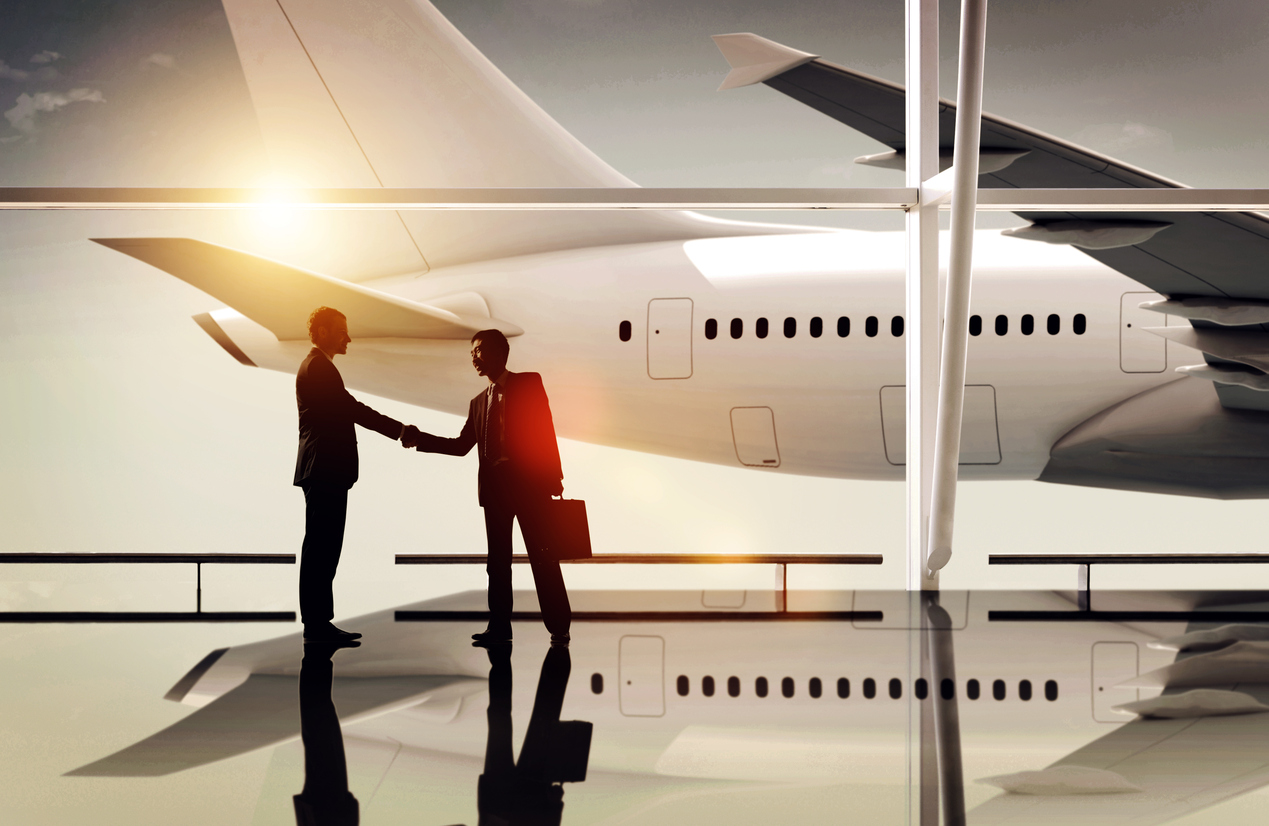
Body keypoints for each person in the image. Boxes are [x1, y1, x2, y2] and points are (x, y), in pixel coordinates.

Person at [404, 330, 571, 646]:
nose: (474, 358)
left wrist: (554, 477)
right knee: (497, 562)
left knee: (543, 558)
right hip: (495, 493)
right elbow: (460, 446)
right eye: (471, 353)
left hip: (530, 489)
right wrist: (419, 439)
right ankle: (499, 629)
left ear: (498, 353)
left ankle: (559, 627)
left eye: (478, 351)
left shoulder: (529, 383)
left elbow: (544, 429)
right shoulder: (478, 402)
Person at [295, 306, 414, 643]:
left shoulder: (318, 366)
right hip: (325, 469)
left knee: (323, 547)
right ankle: (316, 625)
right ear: (320, 332)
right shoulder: (319, 367)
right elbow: (352, 409)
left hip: (324, 469)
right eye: (340, 330)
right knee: (322, 549)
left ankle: (318, 623)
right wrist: (400, 430)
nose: (348, 337)